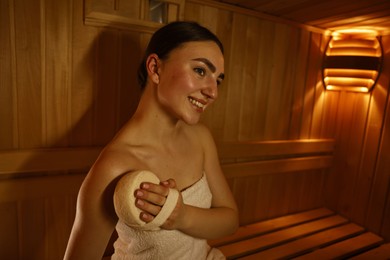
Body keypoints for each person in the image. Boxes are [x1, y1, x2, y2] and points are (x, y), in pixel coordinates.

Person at [64, 21, 239, 260]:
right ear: (155, 68)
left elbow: (230, 220)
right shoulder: (114, 166)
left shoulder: (201, 139)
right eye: (200, 71)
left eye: (217, 79)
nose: (213, 91)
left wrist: (181, 215)